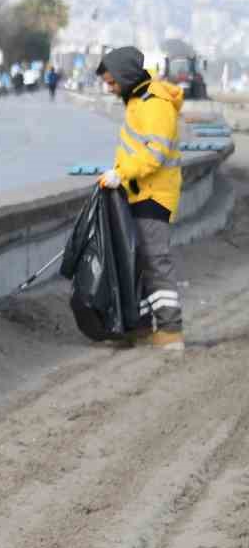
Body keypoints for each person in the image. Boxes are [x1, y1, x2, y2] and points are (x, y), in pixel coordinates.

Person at [97, 46, 185, 351]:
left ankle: (171, 331)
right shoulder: (137, 101)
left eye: (112, 82)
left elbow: (155, 154)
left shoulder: (155, 104)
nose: (110, 89)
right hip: (138, 192)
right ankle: (145, 326)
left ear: (125, 76)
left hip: (154, 196)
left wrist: (122, 174)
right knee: (141, 262)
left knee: (155, 262)